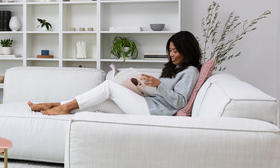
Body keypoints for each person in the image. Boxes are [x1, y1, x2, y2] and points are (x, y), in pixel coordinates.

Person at [28, 31, 202, 116]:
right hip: (147, 102)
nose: (171, 54)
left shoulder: (191, 71)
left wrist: (159, 85)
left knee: (109, 87)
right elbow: (161, 92)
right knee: (99, 102)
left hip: (154, 111)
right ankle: (53, 105)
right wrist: (141, 87)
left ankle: (63, 107)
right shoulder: (176, 68)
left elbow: (180, 102)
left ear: (187, 50)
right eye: (170, 50)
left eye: (175, 51)